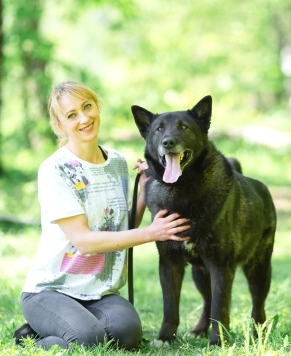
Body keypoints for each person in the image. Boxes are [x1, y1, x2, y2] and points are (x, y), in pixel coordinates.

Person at [13, 81, 190, 350]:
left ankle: (77, 324)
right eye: (72, 115)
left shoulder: (117, 162)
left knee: (128, 335)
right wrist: (152, 233)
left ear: (97, 107)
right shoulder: (54, 170)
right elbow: (84, 241)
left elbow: (120, 229)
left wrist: (143, 193)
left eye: (87, 107)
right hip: (51, 291)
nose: (84, 118)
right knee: (88, 339)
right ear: (60, 125)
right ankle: (31, 337)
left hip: (98, 292)